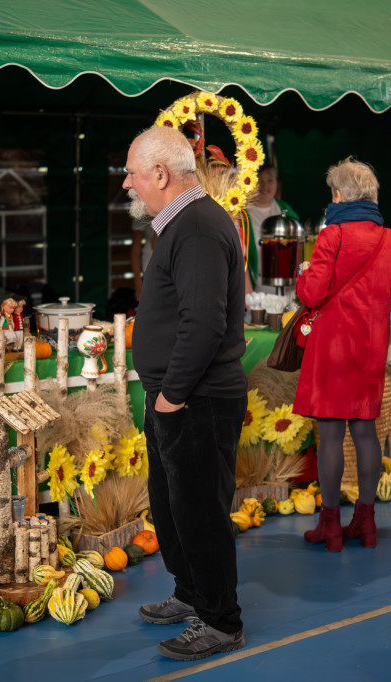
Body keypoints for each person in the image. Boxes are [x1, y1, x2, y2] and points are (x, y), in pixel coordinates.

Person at [124, 126, 249, 660]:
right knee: (173, 507)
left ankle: (221, 621)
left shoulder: (196, 227)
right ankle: (193, 594)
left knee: (198, 511)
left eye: (133, 172)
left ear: (160, 174)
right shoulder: (181, 223)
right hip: (179, 396)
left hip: (196, 398)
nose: (128, 183)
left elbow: (203, 323)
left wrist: (172, 394)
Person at [293, 158, 391, 551]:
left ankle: (330, 526)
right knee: (364, 432)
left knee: (330, 435)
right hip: (371, 347)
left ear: (339, 195)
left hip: (332, 348)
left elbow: (311, 294)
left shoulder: (332, 236)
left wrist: (304, 271)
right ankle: (367, 520)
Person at [244, 166, 300, 292]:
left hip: (287, 289)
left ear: (277, 183)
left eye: (270, 181)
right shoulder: (242, 213)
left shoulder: (286, 210)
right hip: (256, 290)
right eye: (259, 180)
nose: (264, 186)